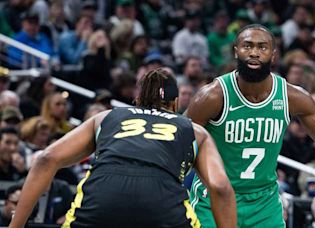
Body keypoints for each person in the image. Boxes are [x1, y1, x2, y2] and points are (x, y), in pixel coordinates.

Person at [186, 24, 315, 227]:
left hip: (264, 203)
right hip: (215, 197)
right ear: (236, 51)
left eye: (262, 47)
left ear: (273, 54)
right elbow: (177, 138)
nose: (254, 52)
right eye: (247, 46)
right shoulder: (213, 96)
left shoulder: (292, 97)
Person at [9, 69, 236, 228]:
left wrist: (16, 226)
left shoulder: (107, 116)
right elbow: (221, 188)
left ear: (137, 100)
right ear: (176, 104)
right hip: (162, 207)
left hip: (100, 202)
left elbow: (46, 158)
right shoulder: (193, 129)